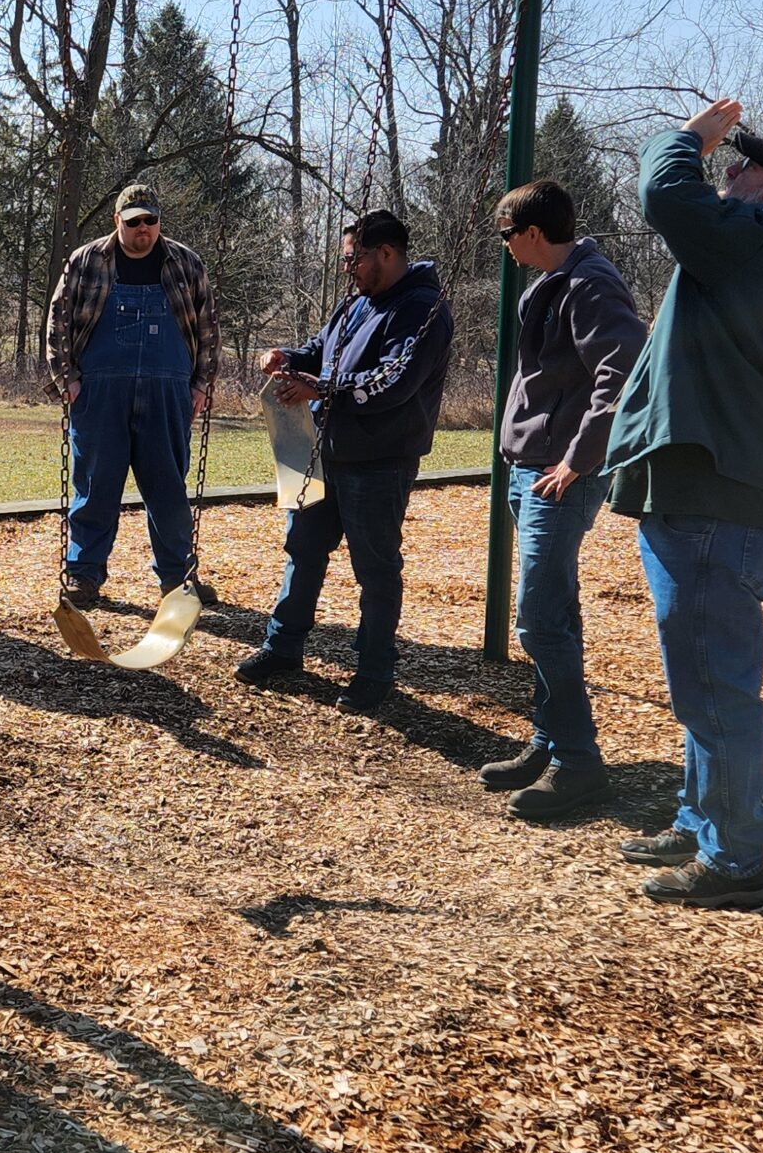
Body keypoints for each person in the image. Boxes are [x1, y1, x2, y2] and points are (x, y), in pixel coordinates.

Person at [605, 98, 763, 907]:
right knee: (698, 675)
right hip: (705, 492)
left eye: (748, 164)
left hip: (718, 502)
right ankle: (698, 818)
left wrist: (688, 139)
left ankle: (735, 859)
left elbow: (665, 196)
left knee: (714, 684)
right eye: (730, 157)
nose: (731, 169)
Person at [238, 209, 453, 714]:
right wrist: (287, 357)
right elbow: (322, 351)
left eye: (352, 259)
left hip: (379, 459)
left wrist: (322, 387)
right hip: (322, 450)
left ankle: (374, 671)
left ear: (385, 253)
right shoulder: (357, 302)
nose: (346, 269)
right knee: (303, 550)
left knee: (375, 569)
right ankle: (283, 646)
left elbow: (392, 383)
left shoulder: (422, 310)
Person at [482, 175, 646, 821]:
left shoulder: (588, 282)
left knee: (538, 620)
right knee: (556, 616)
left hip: (558, 476)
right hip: (531, 468)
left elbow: (622, 370)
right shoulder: (554, 281)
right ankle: (548, 743)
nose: (504, 247)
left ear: (530, 232)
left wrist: (579, 459)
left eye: (506, 235)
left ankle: (579, 767)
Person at [43, 181, 218, 609]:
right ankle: (84, 575)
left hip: (167, 391)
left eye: (150, 221)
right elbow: (57, 324)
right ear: (117, 221)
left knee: (168, 489)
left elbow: (208, 326)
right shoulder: (85, 261)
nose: (143, 229)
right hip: (100, 392)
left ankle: (177, 578)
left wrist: (201, 383)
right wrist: (67, 379)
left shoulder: (186, 264)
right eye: (134, 221)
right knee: (95, 487)